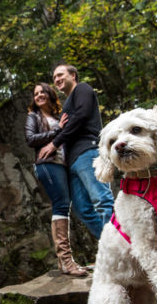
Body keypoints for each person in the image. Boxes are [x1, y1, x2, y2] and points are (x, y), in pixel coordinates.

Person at [38, 63, 114, 240]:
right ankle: (111, 246)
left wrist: (54, 143)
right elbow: (68, 128)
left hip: (88, 151)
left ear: (73, 75)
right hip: (72, 162)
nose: (57, 79)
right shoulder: (67, 104)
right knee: (82, 209)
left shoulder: (83, 89)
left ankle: (122, 248)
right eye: (54, 77)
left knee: (102, 200)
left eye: (60, 74)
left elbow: (82, 115)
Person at [25, 83, 87, 277]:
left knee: (65, 206)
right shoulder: (33, 116)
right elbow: (30, 139)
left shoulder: (59, 117)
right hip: (47, 164)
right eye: (36, 94)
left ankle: (63, 262)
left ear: (50, 94)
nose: (39, 95)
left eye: (42, 91)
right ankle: (66, 261)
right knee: (60, 205)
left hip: (62, 164)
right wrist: (56, 131)